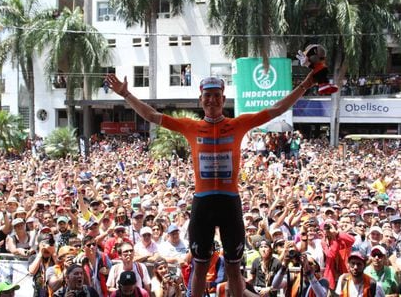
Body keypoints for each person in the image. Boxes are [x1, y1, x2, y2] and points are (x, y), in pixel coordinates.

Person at [106, 69, 315, 297]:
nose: (212, 99)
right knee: (199, 266)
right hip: (203, 204)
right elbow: (152, 115)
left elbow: (277, 109)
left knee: (234, 267)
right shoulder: (190, 126)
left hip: (229, 202)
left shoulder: (239, 124)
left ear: (223, 99)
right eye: (208, 95)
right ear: (201, 100)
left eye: (217, 95)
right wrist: (126, 94)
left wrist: (305, 84)